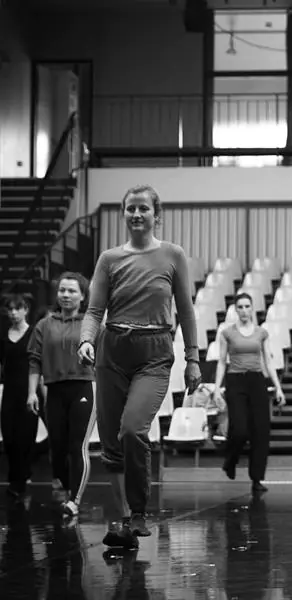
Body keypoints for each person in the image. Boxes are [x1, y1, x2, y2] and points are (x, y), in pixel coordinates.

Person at [78, 184, 201, 550]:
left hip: (155, 351)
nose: (136, 214)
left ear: (155, 214)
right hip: (112, 351)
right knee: (112, 445)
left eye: (143, 208)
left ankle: (137, 511)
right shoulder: (109, 259)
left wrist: (193, 358)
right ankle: (123, 524)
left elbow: (187, 311)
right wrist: (86, 339)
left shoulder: (172, 255)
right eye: (130, 208)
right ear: (124, 213)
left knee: (133, 429)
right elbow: (95, 311)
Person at [27, 272, 96, 520]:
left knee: (78, 447)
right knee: (57, 449)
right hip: (54, 389)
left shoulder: (91, 322)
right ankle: (68, 489)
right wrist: (31, 393)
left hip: (83, 387)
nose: (65, 295)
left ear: (83, 296)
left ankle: (75, 500)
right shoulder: (44, 325)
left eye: (72, 291)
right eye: (62, 290)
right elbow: (34, 360)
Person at [213, 292, 286, 492]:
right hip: (235, 380)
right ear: (235, 310)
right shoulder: (227, 333)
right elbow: (221, 362)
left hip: (256, 380)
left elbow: (268, 362)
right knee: (239, 429)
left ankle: (256, 479)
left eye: (247, 306)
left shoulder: (261, 333)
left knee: (260, 431)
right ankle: (231, 460)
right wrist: (217, 389)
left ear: (252, 308)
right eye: (240, 307)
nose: (244, 310)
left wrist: (278, 387)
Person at [0, 294, 38, 500]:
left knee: (25, 436)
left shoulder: (33, 333)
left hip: (29, 390)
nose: (13, 313)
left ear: (26, 310)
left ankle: (19, 480)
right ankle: (18, 474)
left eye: (17, 309)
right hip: (9, 391)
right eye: (10, 309)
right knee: (9, 436)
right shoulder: (4, 334)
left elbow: (38, 362)